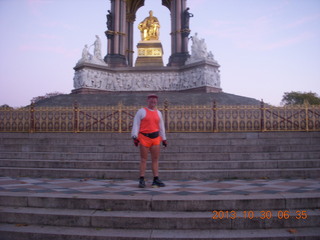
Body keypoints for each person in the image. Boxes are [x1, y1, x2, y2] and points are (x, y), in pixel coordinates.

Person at [131, 94, 167, 188]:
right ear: (148, 101)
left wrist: (164, 139)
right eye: (151, 100)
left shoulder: (158, 112)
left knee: (155, 159)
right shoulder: (141, 111)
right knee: (143, 159)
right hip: (144, 138)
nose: (153, 102)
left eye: (155, 101)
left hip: (155, 138)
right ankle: (141, 179)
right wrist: (134, 136)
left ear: (156, 102)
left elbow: (161, 126)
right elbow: (136, 124)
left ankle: (156, 179)